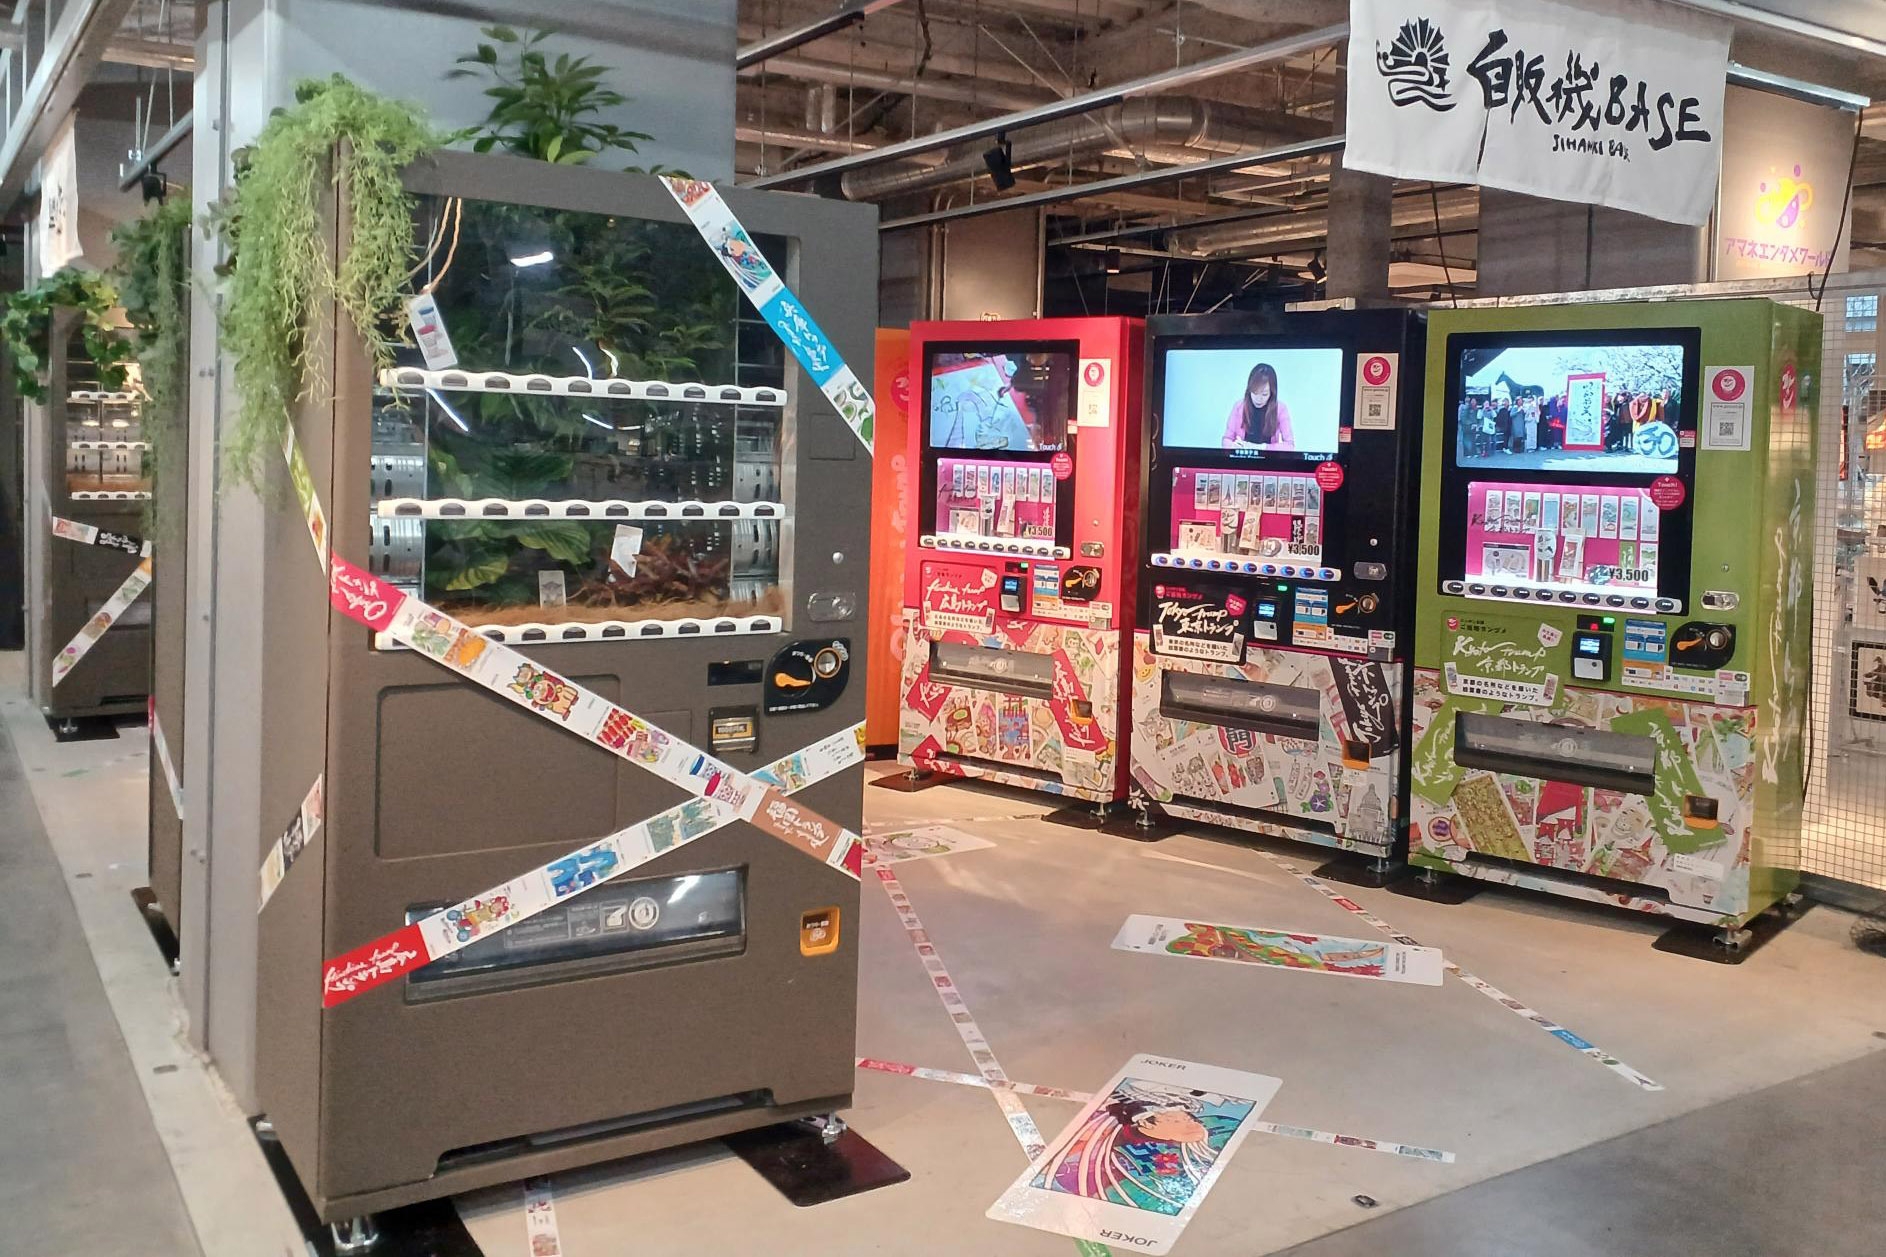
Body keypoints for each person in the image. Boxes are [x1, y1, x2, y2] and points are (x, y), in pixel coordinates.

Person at [1221, 362, 1294, 450]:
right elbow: (1226, 440)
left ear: (1272, 393)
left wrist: (1263, 447)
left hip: (1269, 458)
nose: (1258, 399)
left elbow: (1290, 446)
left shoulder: (1281, 409)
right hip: (1243, 457)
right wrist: (1233, 446)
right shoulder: (1239, 407)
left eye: (1264, 394)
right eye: (1255, 393)